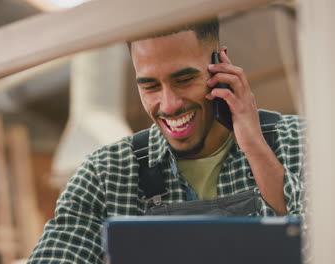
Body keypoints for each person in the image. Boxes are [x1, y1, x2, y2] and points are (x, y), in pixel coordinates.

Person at [27, 19, 305, 263]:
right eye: (150, 86)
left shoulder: (303, 142)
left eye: (184, 79)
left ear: (220, 67)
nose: (169, 105)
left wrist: (256, 149)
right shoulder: (104, 175)